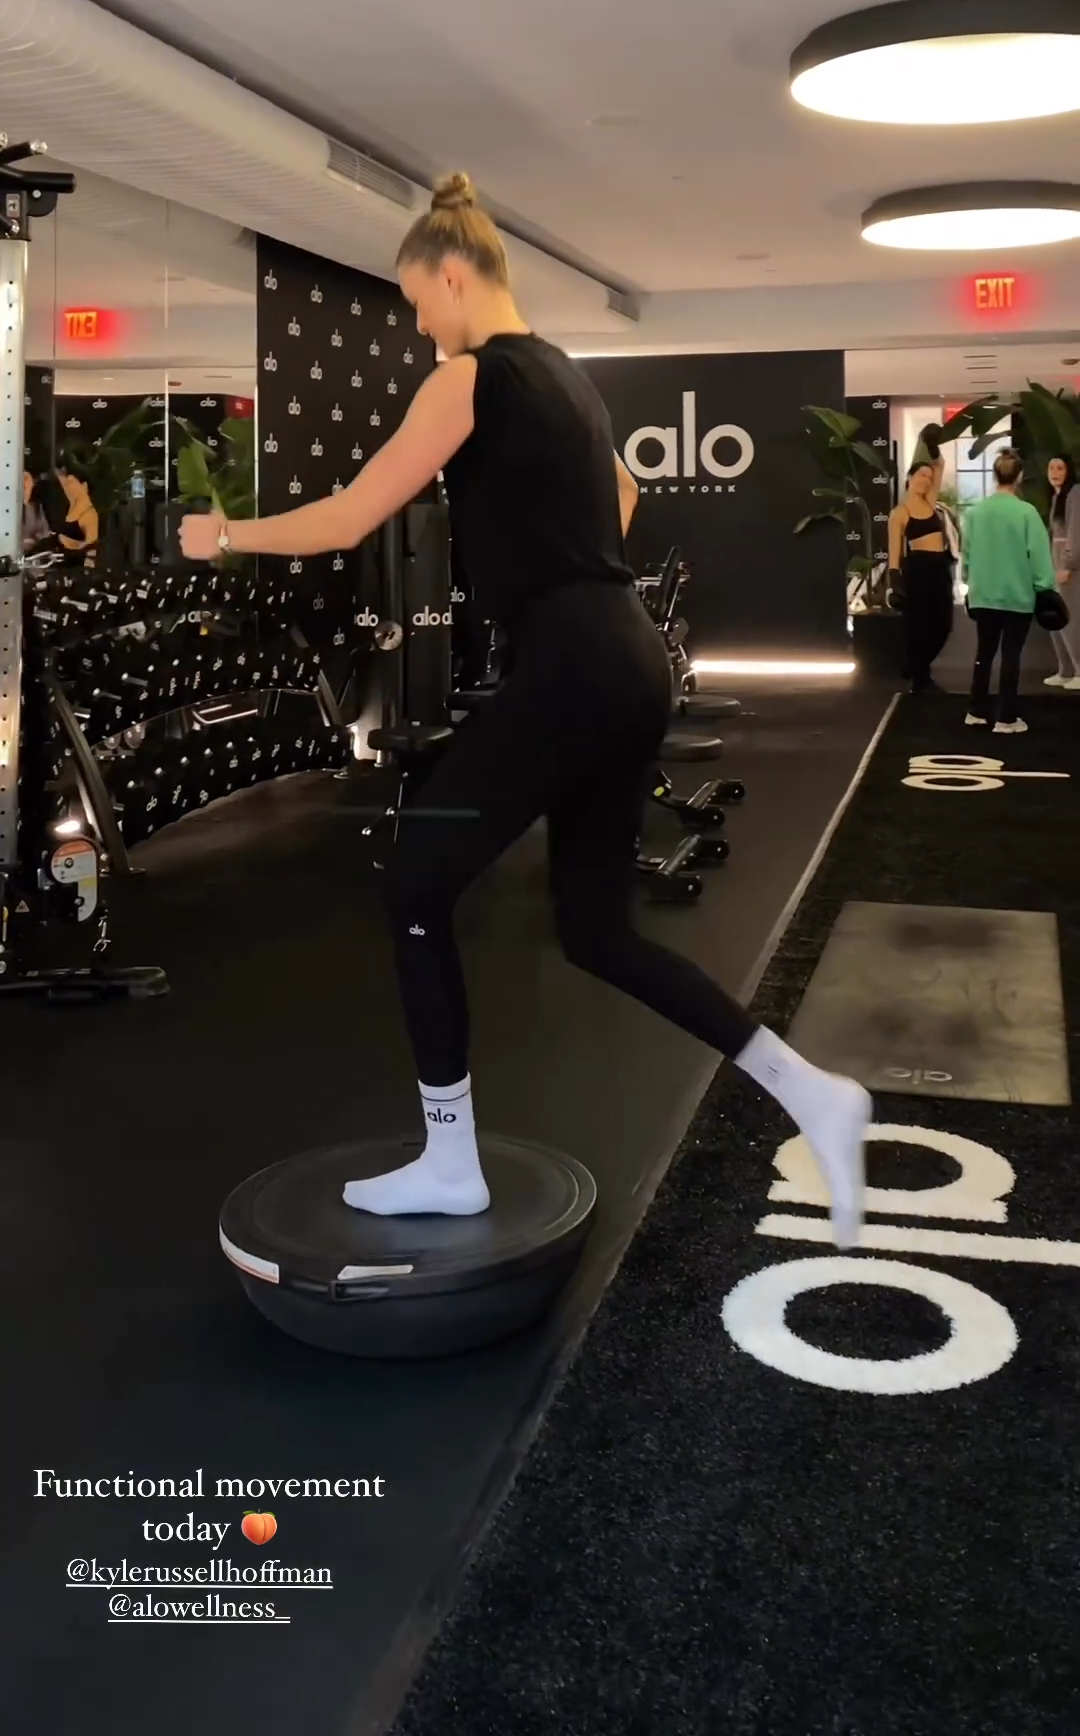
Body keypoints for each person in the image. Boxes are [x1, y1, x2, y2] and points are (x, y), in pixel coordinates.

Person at [180, 172, 870, 1249]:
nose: (419, 326)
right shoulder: (569, 378)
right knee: (595, 932)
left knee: (416, 881)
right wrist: (560, 560)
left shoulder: (469, 377)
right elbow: (624, 497)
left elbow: (352, 517)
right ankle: (811, 1092)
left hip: (575, 670)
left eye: (419, 303)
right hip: (628, 659)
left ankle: (450, 1162)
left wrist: (223, 536)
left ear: (454, 278)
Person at [963, 449, 1057, 734]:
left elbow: (967, 555)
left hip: (983, 594)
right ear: (1019, 477)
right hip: (1018, 595)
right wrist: (1045, 587)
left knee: (984, 653)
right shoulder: (1026, 513)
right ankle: (1006, 718)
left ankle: (976, 711)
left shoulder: (975, 513)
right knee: (1011, 655)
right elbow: (1039, 556)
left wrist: (970, 582)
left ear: (995, 476)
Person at [887, 454, 955, 692]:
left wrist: (933, 448)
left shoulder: (930, 501)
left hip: (940, 567)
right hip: (918, 569)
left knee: (944, 624)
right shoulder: (900, 512)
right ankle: (920, 677)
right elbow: (894, 551)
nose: (926, 480)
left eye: (929, 477)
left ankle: (915, 664)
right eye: (921, 475)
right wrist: (894, 582)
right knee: (919, 625)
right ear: (909, 477)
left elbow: (941, 464)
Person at [1045, 454, 1080, 689]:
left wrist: (1068, 564)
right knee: (1055, 617)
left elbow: (1076, 533)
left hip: (1070, 565)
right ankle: (1065, 669)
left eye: (1060, 468)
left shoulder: (1075, 494)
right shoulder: (1057, 496)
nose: (1055, 473)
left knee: (1072, 618)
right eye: (1051, 468)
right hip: (1055, 562)